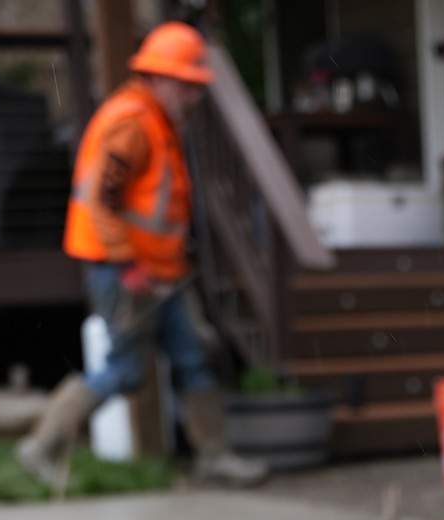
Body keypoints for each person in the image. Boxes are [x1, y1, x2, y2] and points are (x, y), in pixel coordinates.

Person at [19, 22, 266, 489]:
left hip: (161, 272)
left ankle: (214, 455)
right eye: (186, 87)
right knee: (127, 369)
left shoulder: (158, 121)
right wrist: (127, 263)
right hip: (125, 271)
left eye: (196, 88)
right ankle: (41, 446)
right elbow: (102, 199)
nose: (193, 98)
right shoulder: (131, 123)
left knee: (195, 359)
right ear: (159, 78)